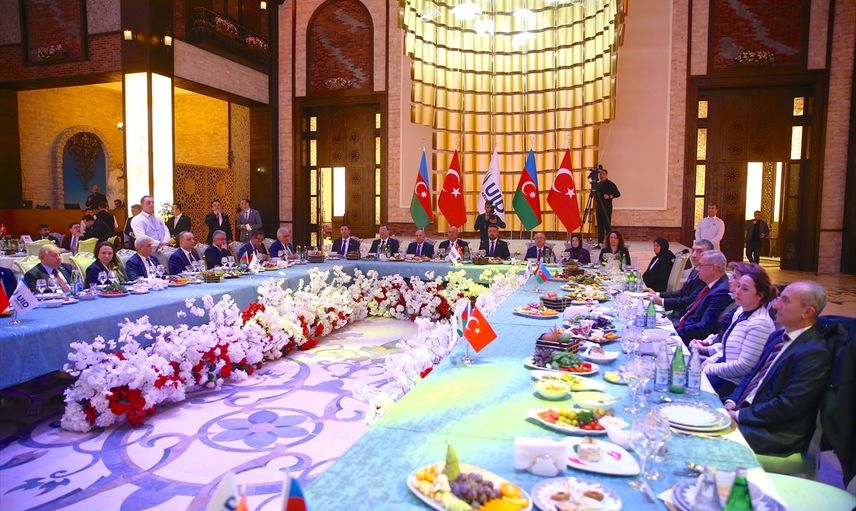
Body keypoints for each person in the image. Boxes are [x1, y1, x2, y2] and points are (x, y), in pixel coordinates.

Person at [724, 281, 832, 456]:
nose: (775, 305)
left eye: (785, 300)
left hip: (774, 432)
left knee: (706, 437)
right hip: (749, 411)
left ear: (807, 312)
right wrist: (732, 401)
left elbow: (787, 405)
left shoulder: (814, 353)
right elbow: (753, 374)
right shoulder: (777, 336)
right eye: (779, 298)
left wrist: (739, 416)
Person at [697, 267, 777, 398]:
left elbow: (743, 367)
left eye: (745, 289)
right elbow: (727, 348)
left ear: (760, 295)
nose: (738, 291)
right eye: (738, 286)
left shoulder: (760, 323)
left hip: (731, 384)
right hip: (721, 372)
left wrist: (709, 368)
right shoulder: (741, 311)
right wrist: (711, 360)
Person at [675, 250, 733, 343]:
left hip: (691, 339)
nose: (697, 269)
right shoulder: (711, 284)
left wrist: (674, 333)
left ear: (714, 268)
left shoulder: (721, 292)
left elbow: (705, 328)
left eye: (701, 265)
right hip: (683, 325)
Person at [646, 239, 715, 316]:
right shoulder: (695, 270)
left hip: (685, 316)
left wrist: (661, 301)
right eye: (693, 251)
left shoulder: (707, 275)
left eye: (699, 251)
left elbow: (691, 300)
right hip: (678, 312)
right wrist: (657, 294)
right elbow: (682, 292)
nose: (694, 255)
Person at [593, 167, 620, 248]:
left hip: (607, 207)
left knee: (607, 225)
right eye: (600, 174)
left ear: (606, 175)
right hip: (599, 208)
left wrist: (609, 196)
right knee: (600, 226)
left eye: (603, 174)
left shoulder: (610, 184)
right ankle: (600, 243)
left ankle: (609, 243)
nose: (602, 175)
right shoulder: (597, 185)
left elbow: (618, 194)